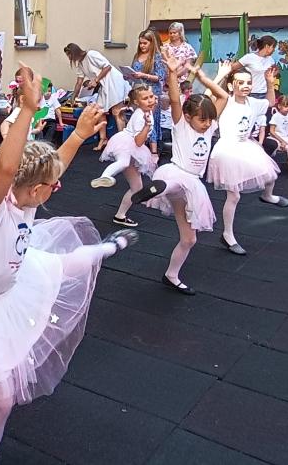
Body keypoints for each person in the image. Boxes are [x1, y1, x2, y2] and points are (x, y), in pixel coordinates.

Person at [0, 65, 139, 465]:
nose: (57, 187)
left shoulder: (27, 195)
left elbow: (52, 168)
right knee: (1, 399)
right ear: (35, 190)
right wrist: (29, 109)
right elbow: (5, 168)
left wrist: (78, 135)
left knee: (65, 264)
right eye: (53, 186)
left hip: (16, 275)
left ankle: (109, 247)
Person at [145, 55, 222, 295]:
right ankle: (156, 188)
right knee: (175, 183)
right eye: (202, 120)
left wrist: (202, 77)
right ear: (189, 117)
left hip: (192, 185)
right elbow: (175, 99)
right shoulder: (181, 126)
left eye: (210, 120)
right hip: (176, 174)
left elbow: (223, 97)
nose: (207, 124)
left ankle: (171, 275)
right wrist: (171, 73)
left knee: (189, 240)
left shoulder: (209, 128)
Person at [207, 62, 288, 256]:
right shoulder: (226, 101)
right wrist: (221, 75)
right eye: (241, 82)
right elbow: (207, 96)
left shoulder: (253, 102)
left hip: (245, 145)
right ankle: (228, 235)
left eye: (248, 82)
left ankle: (267, 196)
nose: (245, 86)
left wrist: (269, 83)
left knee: (270, 174)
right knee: (234, 196)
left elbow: (270, 102)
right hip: (228, 150)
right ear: (231, 85)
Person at [91, 82, 165, 228]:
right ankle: (105, 176)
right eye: (145, 98)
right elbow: (138, 142)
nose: (150, 100)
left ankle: (120, 216)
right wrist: (147, 126)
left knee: (136, 187)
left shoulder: (147, 111)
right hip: (127, 144)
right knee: (123, 162)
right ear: (137, 102)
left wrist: (153, 102)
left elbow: (152, 105)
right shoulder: (140, 116)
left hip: (133, 149)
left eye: (151, 97)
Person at [64, 42, 131, 150]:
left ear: (74, 53)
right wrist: (73, 97)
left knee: (117, 112)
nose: (69, 58)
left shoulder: (91, 54)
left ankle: (123, 143)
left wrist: (96, 80)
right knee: (99, 111)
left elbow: (107, 67)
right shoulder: (80, 64)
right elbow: (79, 82)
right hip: (104, 86)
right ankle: (103, 139)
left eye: (69, 55)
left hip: (114, 82)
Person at [128, 30, 166, 156]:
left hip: (152, 91)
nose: (142, 46)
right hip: (138, 90)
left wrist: (143, 75)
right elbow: (134, 72)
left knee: (150, 118)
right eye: (140, 43)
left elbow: (160, 77)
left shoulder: (157, 57)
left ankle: (153, 150)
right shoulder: (137, 55)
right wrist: (128, 76)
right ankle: (140, 145)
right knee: (139, 118)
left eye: (145, 43)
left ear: (151, 43)